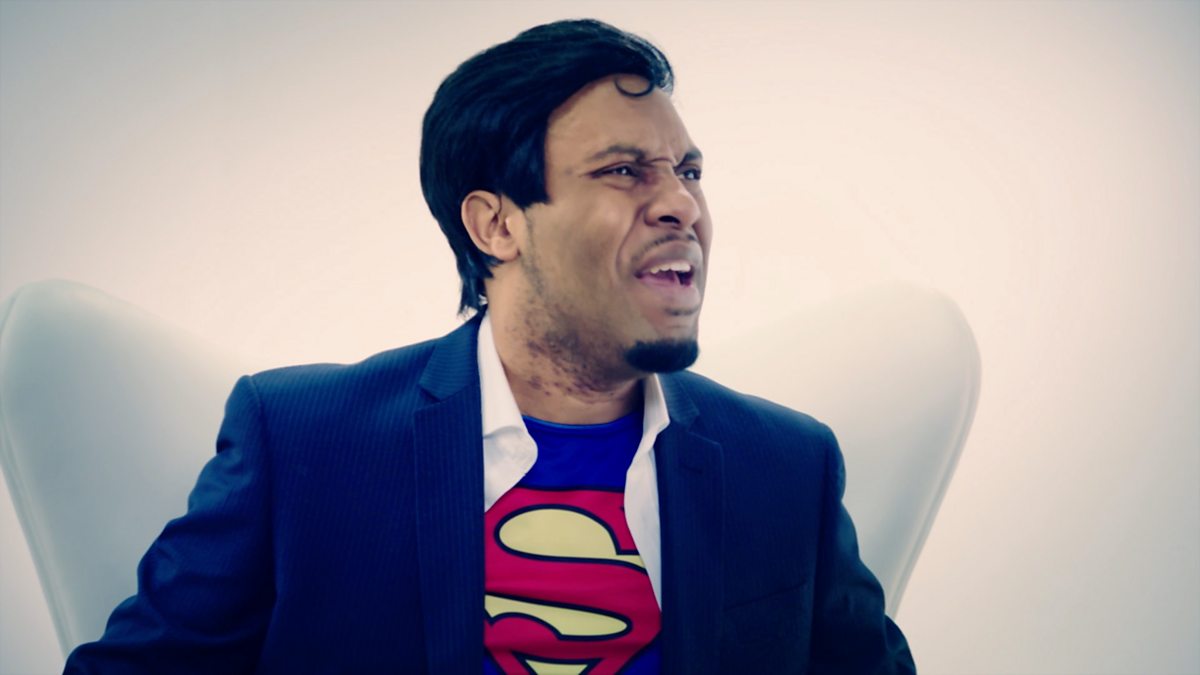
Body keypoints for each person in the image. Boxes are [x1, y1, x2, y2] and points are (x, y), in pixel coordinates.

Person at [65, 18, 914, 674]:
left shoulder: (787, 466)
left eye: (687, 172)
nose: (682, 206)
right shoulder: (301, 443)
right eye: (625, 170)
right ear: (496, 224)